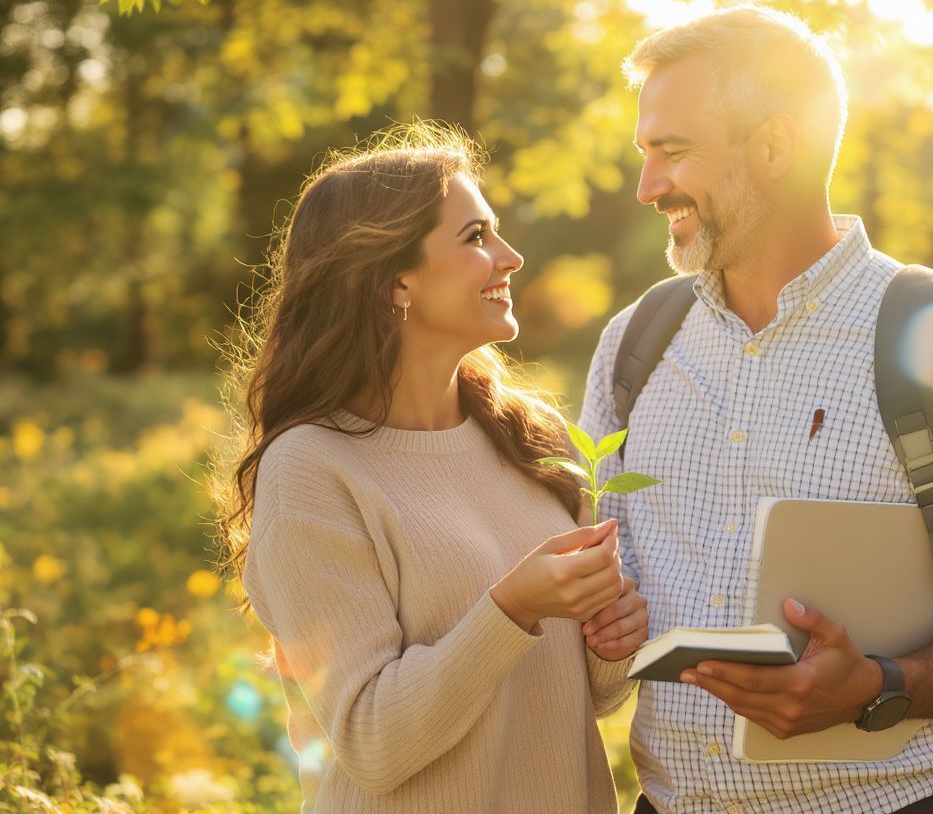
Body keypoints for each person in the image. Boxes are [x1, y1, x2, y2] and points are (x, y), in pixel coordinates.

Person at [577, 5, 933, 814]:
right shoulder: (632, 346)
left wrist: (881, 687)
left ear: (774, 146)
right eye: (645, 153)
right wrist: (603, 621)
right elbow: (613, 594)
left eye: (671, 152)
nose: (647, 187)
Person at [216, 123, 648, 813]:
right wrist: (514, 607)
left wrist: (612, 638)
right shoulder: (312, 469)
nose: (511, 257)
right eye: (476, 237)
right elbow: (373, 742)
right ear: (394, 281)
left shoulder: (535, 438)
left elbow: (589, 696)